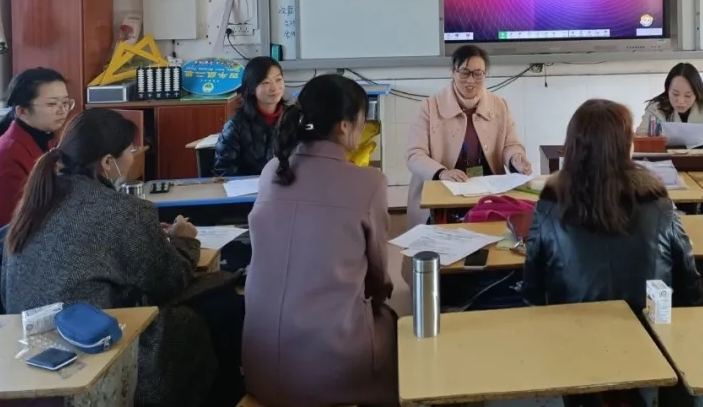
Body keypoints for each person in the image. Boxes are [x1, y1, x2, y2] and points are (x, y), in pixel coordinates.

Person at [2, 109, 220, 407]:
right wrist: (184, 240)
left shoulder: (34, 202)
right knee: (199, 318)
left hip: (29, 357)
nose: (134, 156)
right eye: (130, 150)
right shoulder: (124, 211)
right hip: (95, 352)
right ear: (107, 162)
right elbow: (169, 282)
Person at [243, 74, 397, 407]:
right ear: (344, 126)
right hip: (331, 372)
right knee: (397, 324)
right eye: (362, 119)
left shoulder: (272, 171)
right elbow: (379, 280)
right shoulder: (369, 182)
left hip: (260, 366)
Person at [523, 98, 703, 311]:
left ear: (571, 147)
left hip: (571, 328)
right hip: (648, 329)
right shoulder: (659, 206)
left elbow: (531, 293)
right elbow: (690, 288)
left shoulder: (549, 207)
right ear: (627, 147)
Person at [406, 46, 531, 227]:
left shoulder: (500, 105)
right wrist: (442, 173)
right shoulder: (430, 107)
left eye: (478, 74)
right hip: (444, 191)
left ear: (485, 74)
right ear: (453, 72)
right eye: (464, 73)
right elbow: (414, 155)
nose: (471, 80)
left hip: (487, 191)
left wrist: (516, 158)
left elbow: (510, 144)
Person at [0, 68, 70, 241]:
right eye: (52, 104)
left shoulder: (44, 138)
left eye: (65, 102)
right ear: (22, 112)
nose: (62, 110)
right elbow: (19, 228)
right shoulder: (9, 155)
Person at [214, 56, 288, 177]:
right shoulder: (235, 126)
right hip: (248, 187)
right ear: (252, 88)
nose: (274, 88)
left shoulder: (294, 118)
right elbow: (224, 172)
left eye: (278, 80)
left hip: (286, 185)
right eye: (266, 82)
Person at [637, 63, 703, 143]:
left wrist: (695, 134)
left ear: (697, 93)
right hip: (666, 159)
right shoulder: (656, 108)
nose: (680, 101)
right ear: (667, 90)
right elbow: (642, 135)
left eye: (688, 95)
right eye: (675, 94)